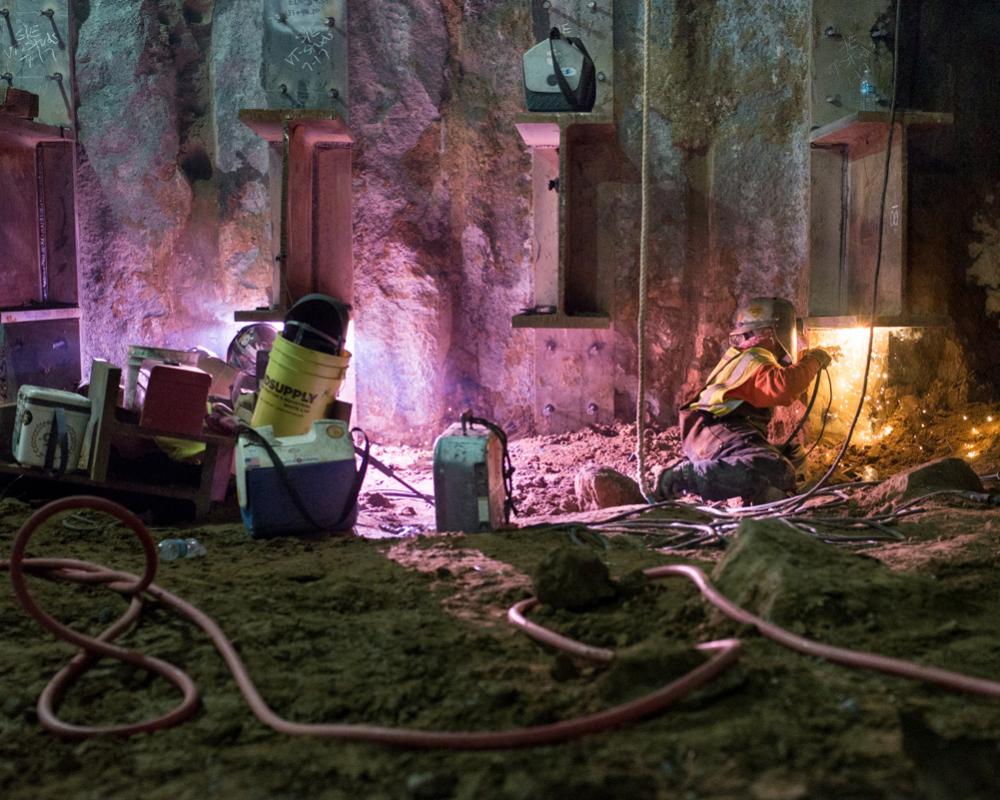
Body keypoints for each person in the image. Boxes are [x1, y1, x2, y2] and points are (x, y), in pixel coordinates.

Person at [654, 297, 833, 505]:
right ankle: (682, 477)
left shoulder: (745, 356)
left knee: (791, 452)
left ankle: (766, 496)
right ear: (773, 332)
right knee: (774, 466)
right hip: (718, 430)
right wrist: (815, 359)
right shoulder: (758, 356)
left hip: (711, 433)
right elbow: (784, 387)